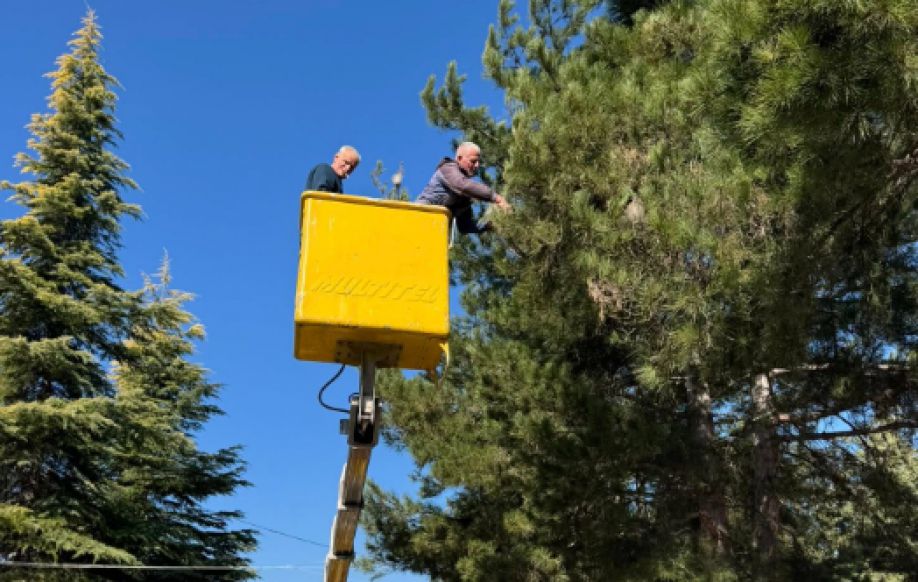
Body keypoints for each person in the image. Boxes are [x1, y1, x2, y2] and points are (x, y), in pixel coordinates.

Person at [416, 142, 511, 235]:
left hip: (434, 234)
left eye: (478, 162)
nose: (477, 165)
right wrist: (496, 198)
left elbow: (465, 226)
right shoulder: (448, 169)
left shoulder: (463, 196)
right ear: (459, 158)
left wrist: (488, 226)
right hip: (417, 220)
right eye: (473, 161)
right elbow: (463, 185)